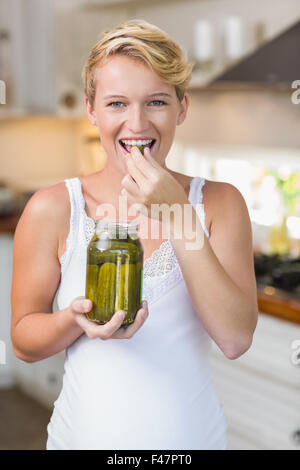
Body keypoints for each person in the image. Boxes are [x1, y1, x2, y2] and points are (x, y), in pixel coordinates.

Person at [11, 19, 258, 450]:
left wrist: (178, 215)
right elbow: (23, 342)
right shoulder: (53, 207)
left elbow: (236, 339)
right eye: (117, 104)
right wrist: (74, 320)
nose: (137, 123)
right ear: (91, 110)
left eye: (157, 102)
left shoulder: (219, 203)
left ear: (182, 107)